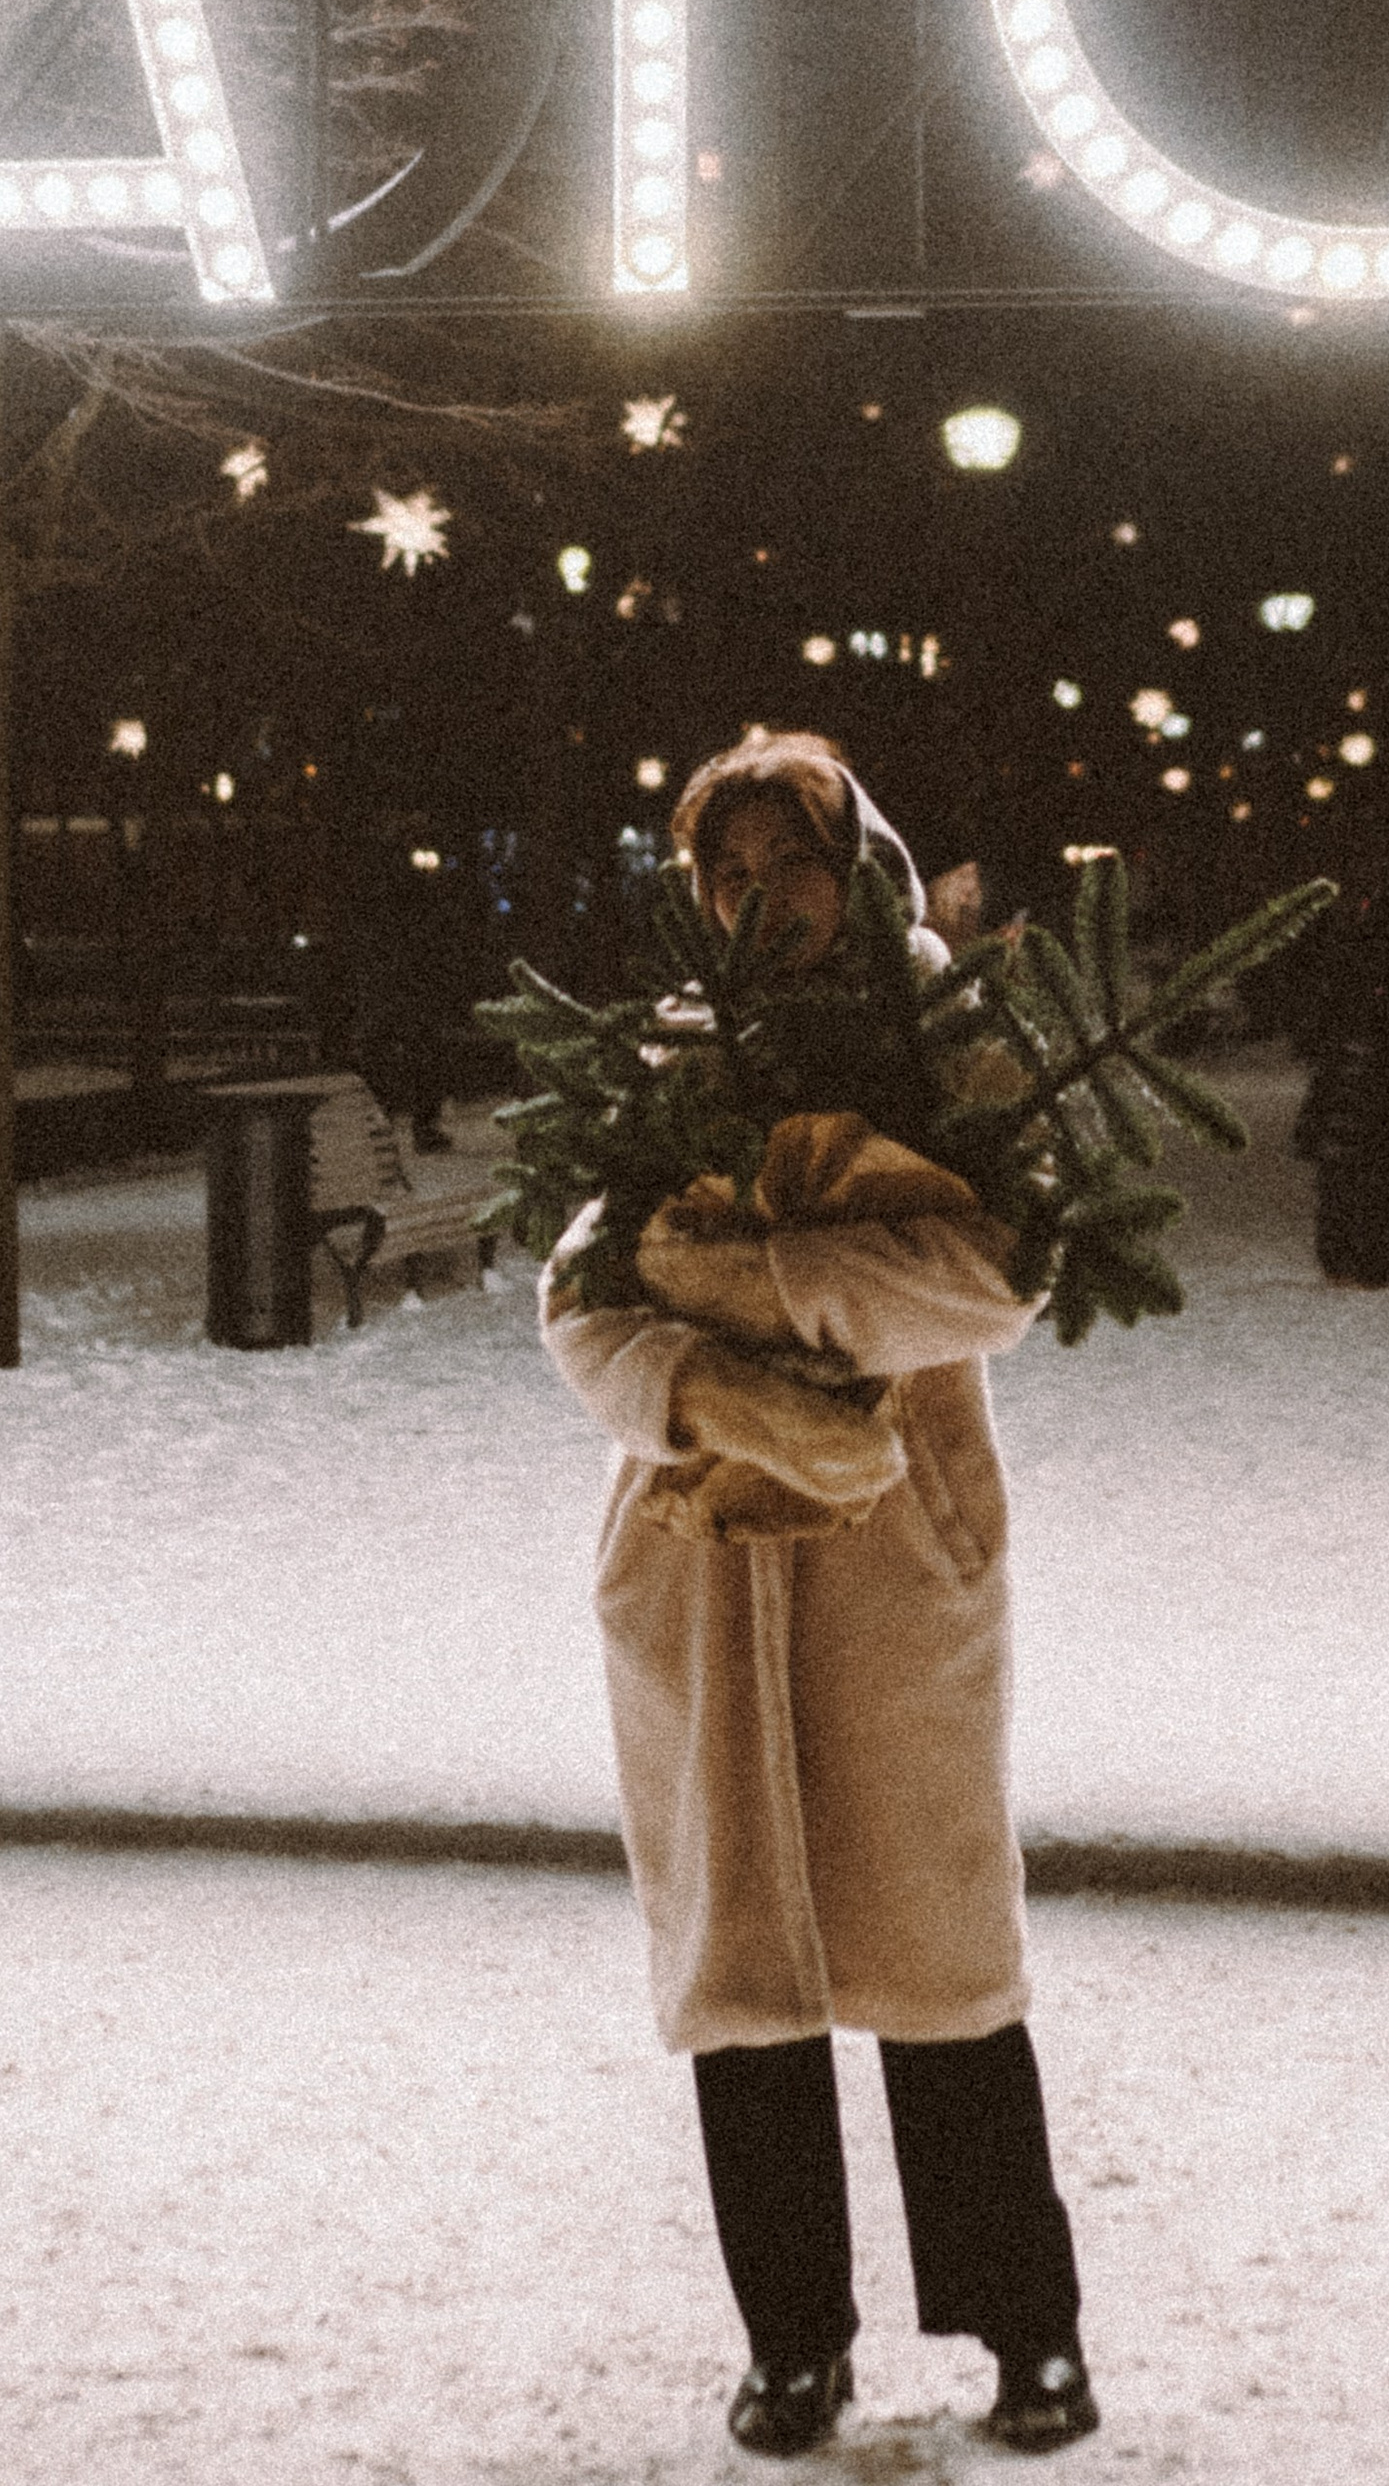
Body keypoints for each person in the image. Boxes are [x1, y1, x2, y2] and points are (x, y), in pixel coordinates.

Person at [539, 728, 1095, 2462]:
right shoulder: (667, 1058)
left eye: (788, 865)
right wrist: (706, 1391)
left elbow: (1003, 1265)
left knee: (943, 1958)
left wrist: (760, 1282)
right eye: (727, 873)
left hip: (894, 1557)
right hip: (698, 1557)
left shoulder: (946, 1047)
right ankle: (795, 2343)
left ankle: (1031, 2332)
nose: (756, 900)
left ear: (854, 865)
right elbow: (581, 1300)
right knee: (746, 1976)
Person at [1288, 872, 1389, 1286]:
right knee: (1371, 1178)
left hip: (1340, 1075)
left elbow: (1313, 1013)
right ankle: (1369, 1262)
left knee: (1338, 1177)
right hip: (1374, 1079)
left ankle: (1339, 1258)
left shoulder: (1338, 953)